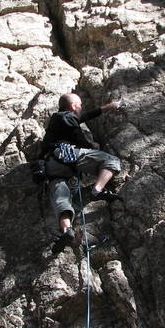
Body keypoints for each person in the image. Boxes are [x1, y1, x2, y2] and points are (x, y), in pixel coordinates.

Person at [39, 93, 122, 245]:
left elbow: (83, 117)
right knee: (112, 161)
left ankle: (66, 230)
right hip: (67, 154)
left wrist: (108, 107)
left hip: (50, 165)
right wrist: (92, 147)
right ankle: (97, 190)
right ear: (72, 107)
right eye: (80, 105)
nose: (81, 108)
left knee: (61, 197)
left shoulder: (57, 121)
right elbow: (78, 136)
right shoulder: (65, 116)